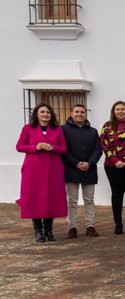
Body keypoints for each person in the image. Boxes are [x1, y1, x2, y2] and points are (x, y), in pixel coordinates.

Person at [16, 103, 67, 243]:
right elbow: (19, 146)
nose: (45, 114)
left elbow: (63, 149)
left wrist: (52, 147)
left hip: (53, 167)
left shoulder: (57, 129)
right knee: (35, 197)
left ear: (51, 115)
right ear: (36, 114)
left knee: (51, 197)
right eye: (42, 112)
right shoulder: (28, 128)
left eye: (48, 112)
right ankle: (38, 230)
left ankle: (49, 230)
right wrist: (35, 147)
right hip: (34, 169)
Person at [62, 104, 102, 239]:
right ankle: (71, 227)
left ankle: (90, 225)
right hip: (71, 168)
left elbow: (98, 150)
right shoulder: (63, 130)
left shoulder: (93, 131)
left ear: (86, 114)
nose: (80, 114)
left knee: (89, 199)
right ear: (72, 113)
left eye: (82, 112)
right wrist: (76, 163)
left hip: (89, 169)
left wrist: (89, 163)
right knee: (72, 200)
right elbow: (63, 150)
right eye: (77, 112)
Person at [100, 100, 125, 235]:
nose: (120, 111)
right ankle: (118, 224)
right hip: (113, 166)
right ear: (113, 112)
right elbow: (104, 145)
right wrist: (115, 160)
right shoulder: (106, 126)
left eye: (123, 109)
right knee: (116, 194)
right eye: (117, 109)